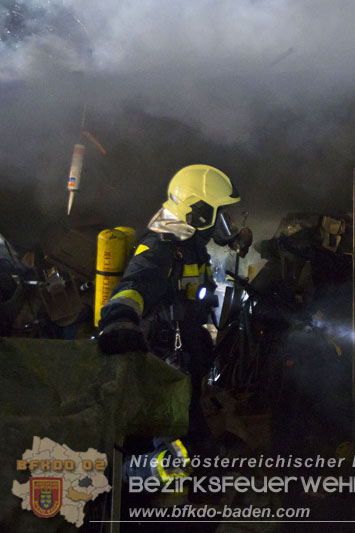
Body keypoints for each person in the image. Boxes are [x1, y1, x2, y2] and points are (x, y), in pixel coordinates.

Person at [97, 164, 251, 481]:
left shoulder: (187, 245)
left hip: (183, 370)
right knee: (180, 457)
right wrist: (120, 318)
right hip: (163, 372)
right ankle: (122, 484)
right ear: (197, 212)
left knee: (196, 455)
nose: (223, 224)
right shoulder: (160, 248)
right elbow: (134, 285)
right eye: (218, 214)